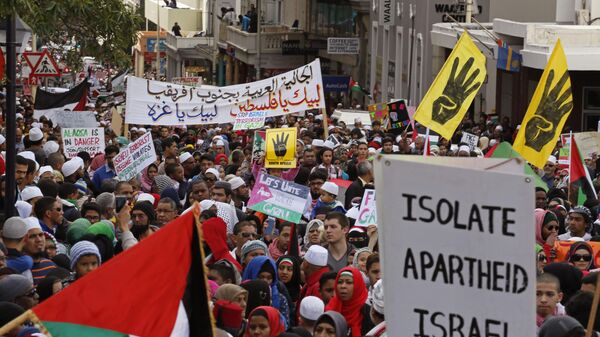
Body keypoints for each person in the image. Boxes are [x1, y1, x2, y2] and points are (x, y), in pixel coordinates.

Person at [242, 256, 292, 324]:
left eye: (269, 278)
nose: (265, 282)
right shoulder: (241, 297)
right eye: (261, 277)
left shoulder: (280, 299)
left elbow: (285, 325)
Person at [325, 267, 373, 337]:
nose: (343, 286)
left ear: (357, 286)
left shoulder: (368, 313)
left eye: (349, 282)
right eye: (340, 282)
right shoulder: (330, 310)